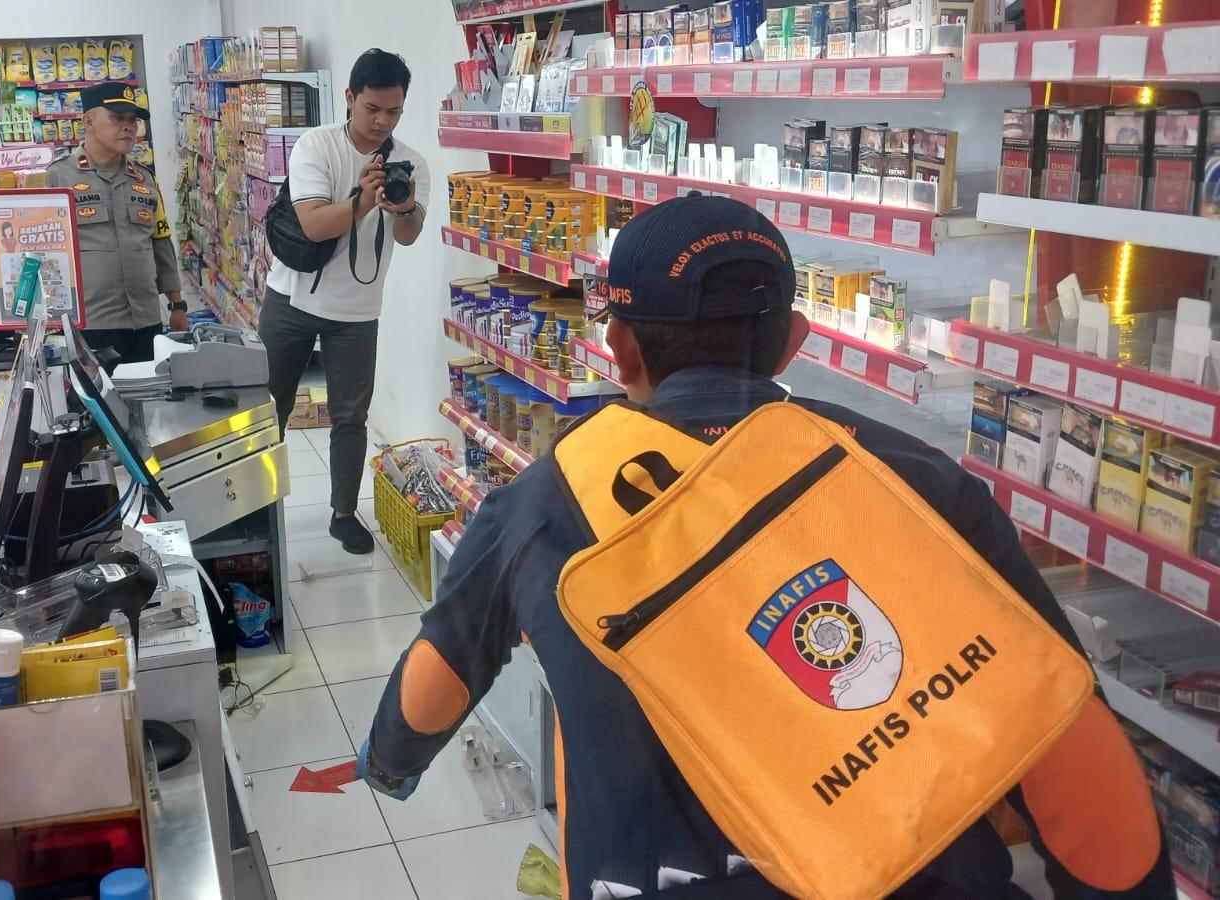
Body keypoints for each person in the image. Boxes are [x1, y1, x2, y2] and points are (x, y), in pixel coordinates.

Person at [359, 197, 1173, 899]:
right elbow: (1069, 737)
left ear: (621, 349)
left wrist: (389, 763)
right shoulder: (913, 476)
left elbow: (439, 677)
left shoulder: (542, 502)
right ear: (792, 340)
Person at [261, 49, 431, 554]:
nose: (382, 121)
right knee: (270, 407)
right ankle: (259, 511)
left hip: (358, 311)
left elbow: (409, 237)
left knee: (350, 415)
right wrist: (361, 201)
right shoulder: (316, 146)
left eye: (394, 111)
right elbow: (314, 224)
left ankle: (342, 512)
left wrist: (402, 207)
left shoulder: (410, 162)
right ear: (350, 98)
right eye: (372, 108)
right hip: (291, 299)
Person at [46, 82, 186, 369]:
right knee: (94, 409)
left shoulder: (145, 180)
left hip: (146, 321)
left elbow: (160, 241)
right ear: (88, 122)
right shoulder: (56, 180)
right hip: (91, 323)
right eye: (117, 118)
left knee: (148, 404)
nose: (128, 127)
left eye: (132, 120)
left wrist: (177, 305)